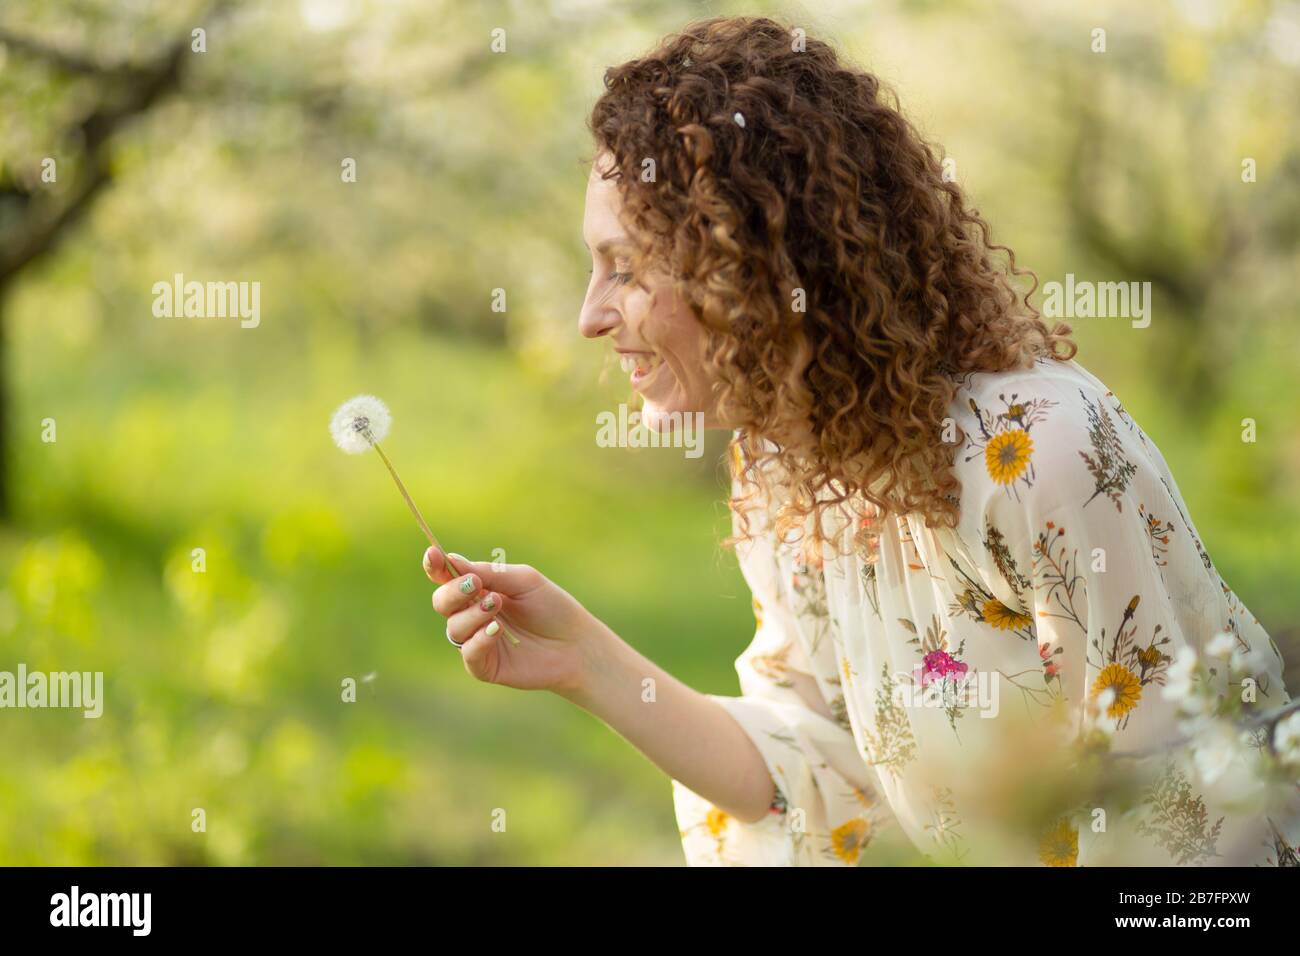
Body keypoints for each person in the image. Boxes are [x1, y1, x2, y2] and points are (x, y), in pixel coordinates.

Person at [422, 16, 1298, 866]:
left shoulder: (1037, 456)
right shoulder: (781, 470)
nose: (589, 317)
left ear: (750, 266)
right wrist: (584, 660)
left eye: (624, 267)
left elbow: (1181, 820)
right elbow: (811, 772)